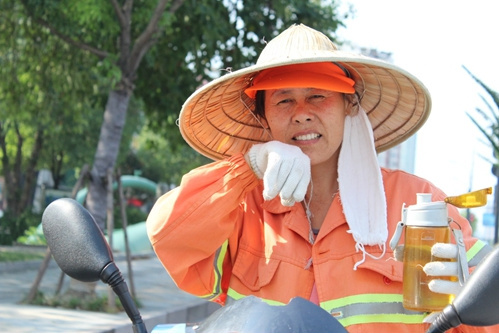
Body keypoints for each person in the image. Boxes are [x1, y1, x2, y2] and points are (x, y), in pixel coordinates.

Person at [146, 24, 497, 332]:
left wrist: (459, 290)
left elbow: (487, 318)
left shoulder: (419, 203)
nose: (302, 115)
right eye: (284, 101)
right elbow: (167, 236)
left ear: (349, 106)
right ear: (264, 116)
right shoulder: (242, 207)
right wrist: (248, 167)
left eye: (318, 96)